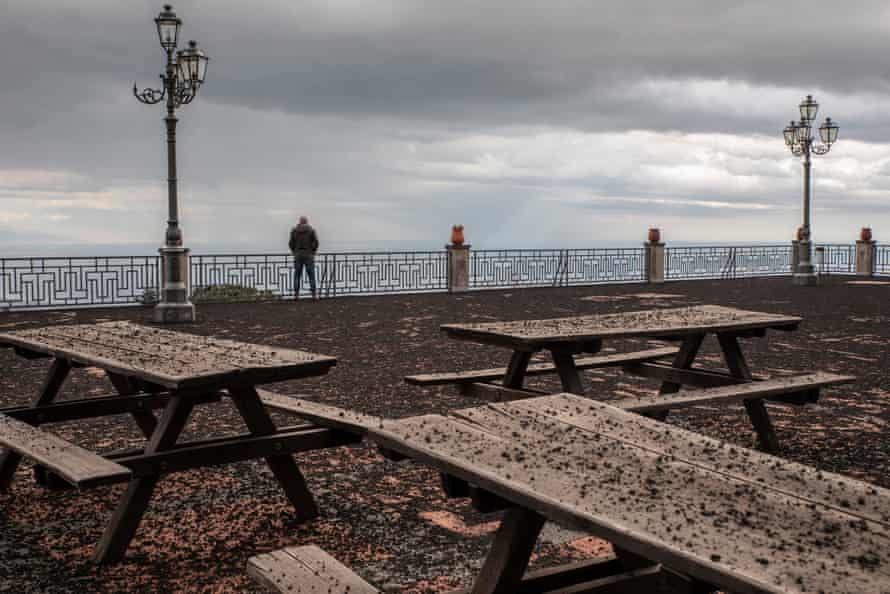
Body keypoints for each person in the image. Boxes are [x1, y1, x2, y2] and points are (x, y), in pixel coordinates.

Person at [288, 216, 320, 300]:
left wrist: (295, 252)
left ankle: (296, 295)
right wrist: (312, 251)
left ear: (300, 222)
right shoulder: (311, 230)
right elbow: (316, 243)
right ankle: (314, 295)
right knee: (311, 275)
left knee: (297, 275)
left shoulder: (294, 231)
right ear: (306, 222)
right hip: (309, 255)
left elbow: (291, 243)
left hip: (298, 255)